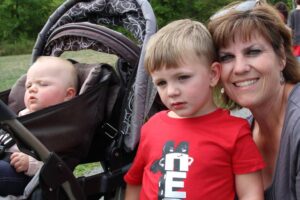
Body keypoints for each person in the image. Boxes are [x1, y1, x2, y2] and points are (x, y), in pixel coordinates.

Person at [124, 19, 265, 200]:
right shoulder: (152, 127)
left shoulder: (235, 132)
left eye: (183, 77)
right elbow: (135, 181)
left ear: (213, 74)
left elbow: (250, 194)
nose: (172, 91)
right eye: (161, 83)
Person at [208, 0, 300, 199]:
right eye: (226, 57)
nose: (240, 68)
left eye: (253, 52)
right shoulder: (242, 131)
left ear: (282, 56)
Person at [0, 56, 78, 196]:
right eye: (28, 86)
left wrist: (31, 164)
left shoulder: (61, 127)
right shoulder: (21, 114)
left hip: (27, 179)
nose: (32, 90)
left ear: (68, 94)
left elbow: (59, 168)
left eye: (42, 84)